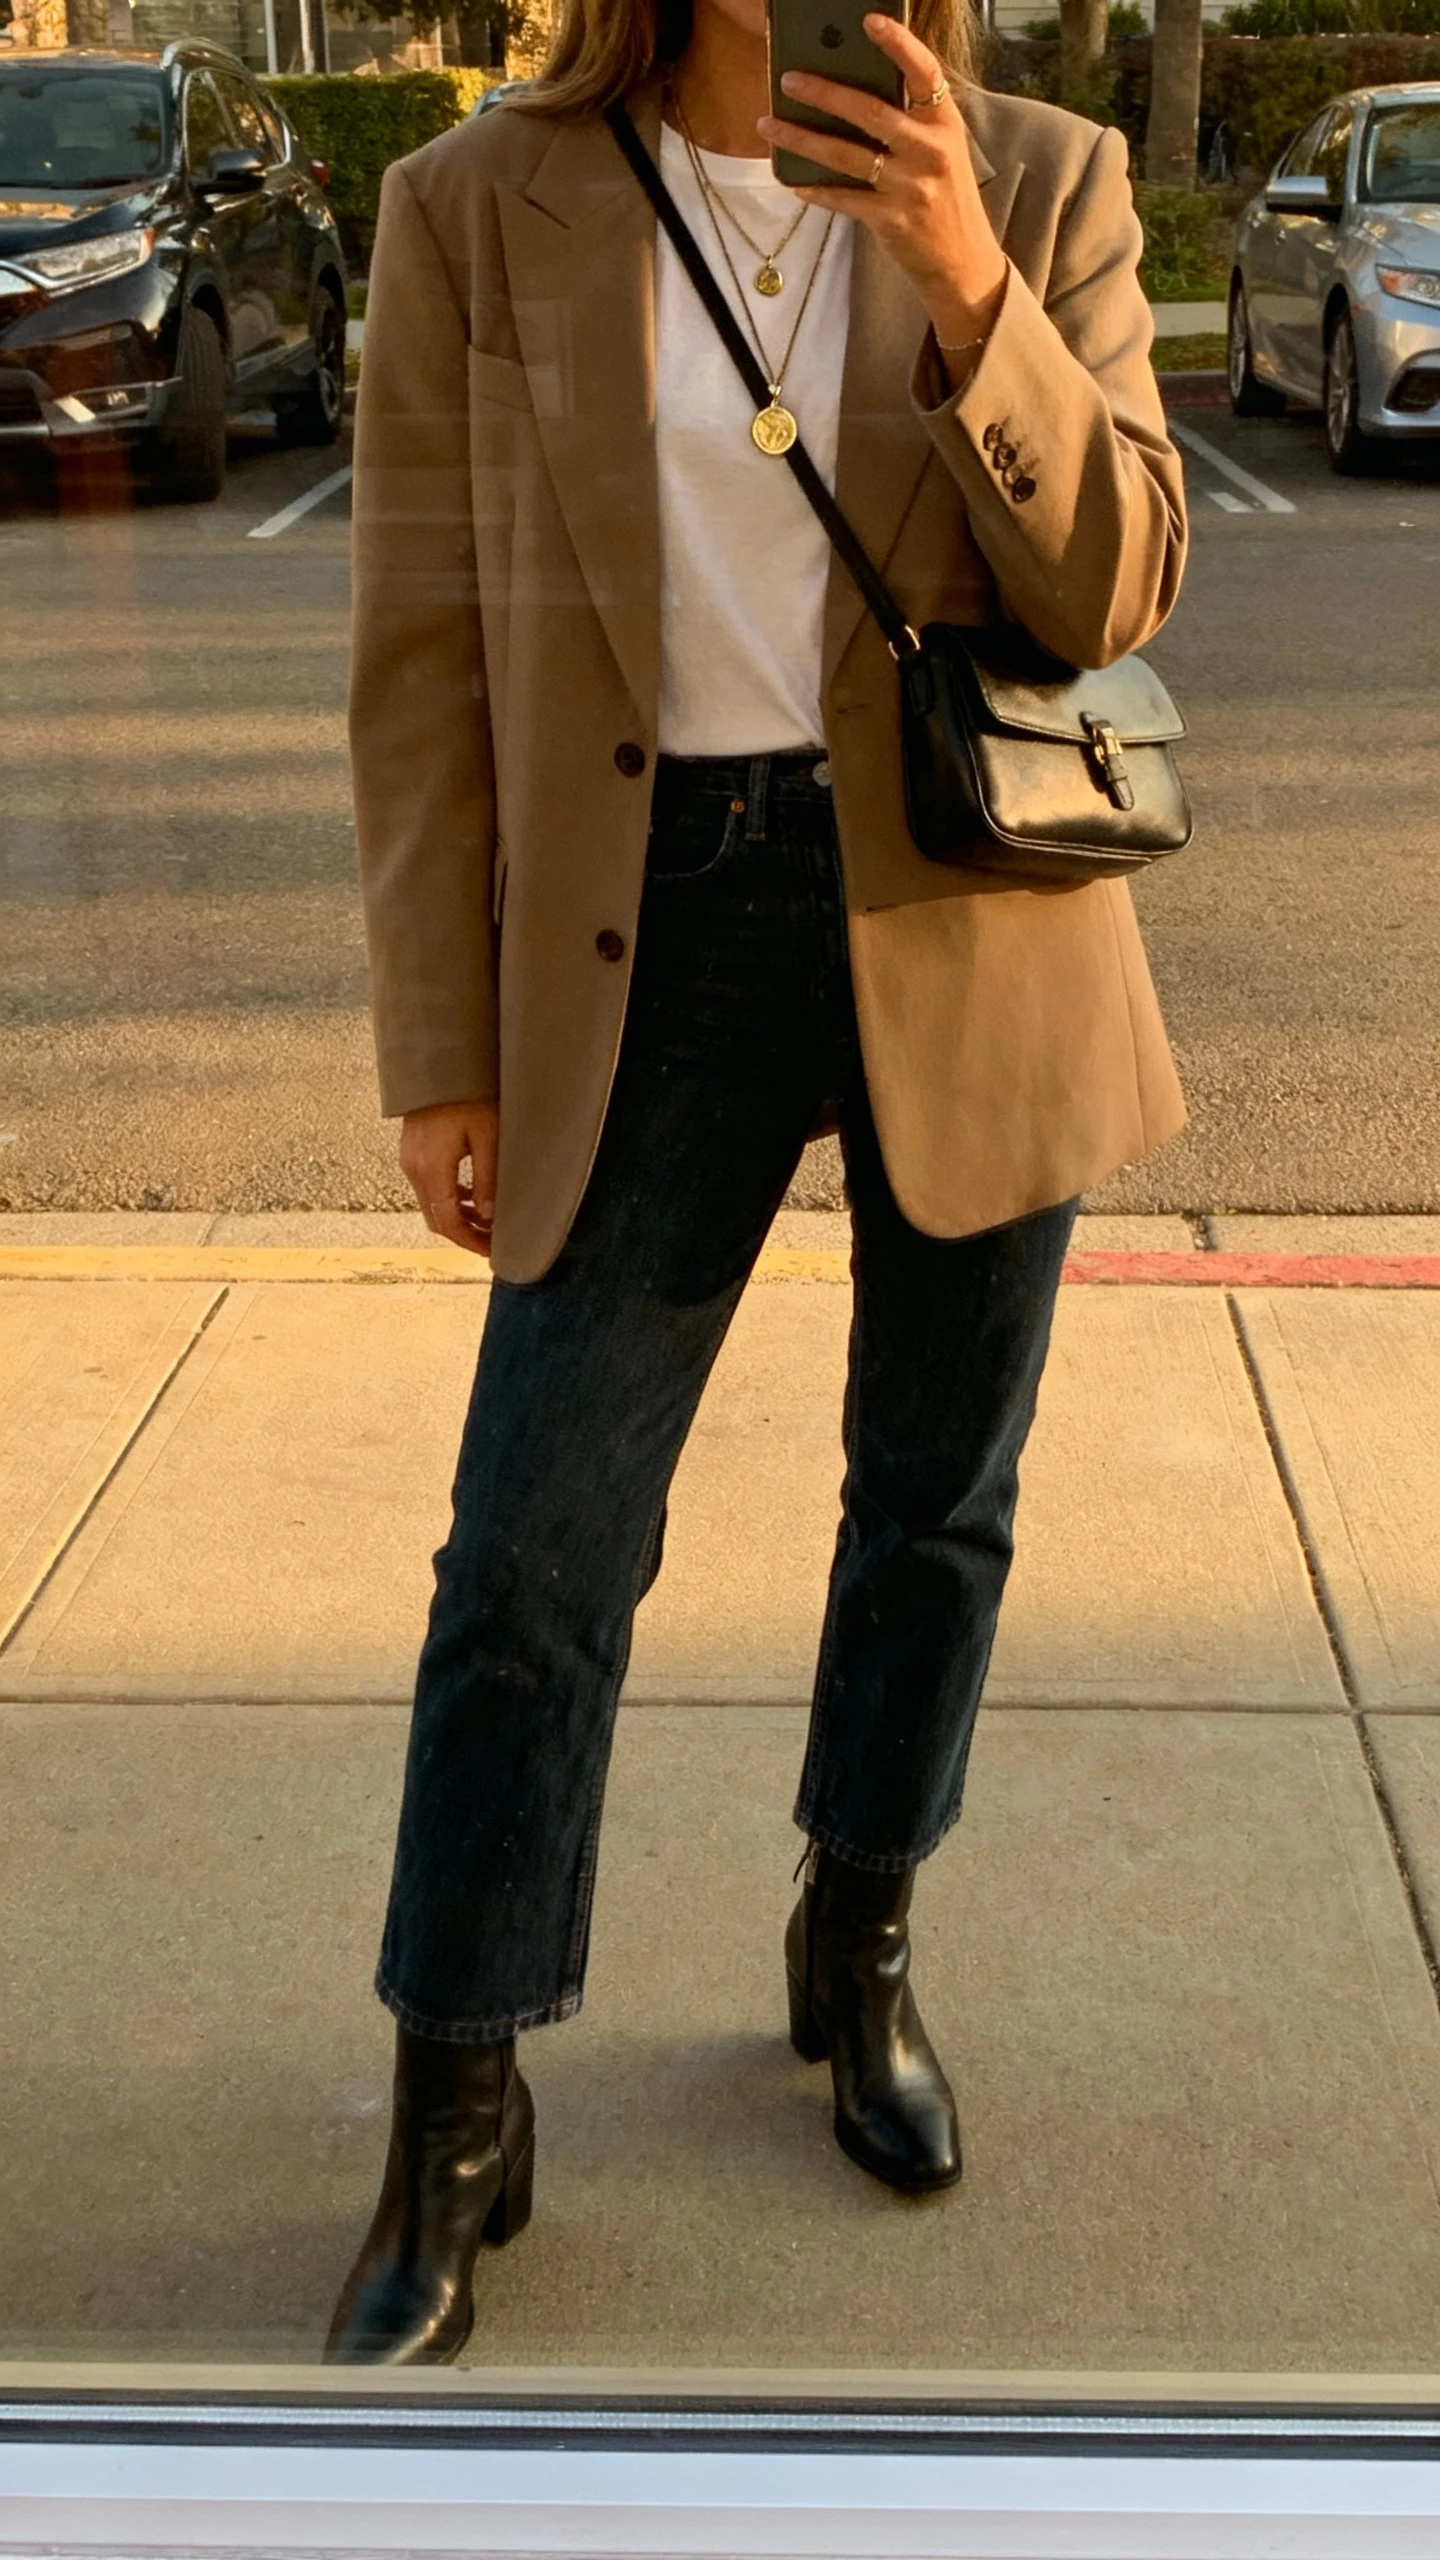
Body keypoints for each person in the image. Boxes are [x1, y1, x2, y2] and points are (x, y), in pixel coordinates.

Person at [327, 0, 1188, 2365]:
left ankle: (861, 1926)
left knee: (934, 1499)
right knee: (532, 1551)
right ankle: (459, 2093)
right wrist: (439, 1042)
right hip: (648, 933)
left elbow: (1120, 584)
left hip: (966, 905)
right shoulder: (472, 203)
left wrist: (967, 280)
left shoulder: (1041, 177)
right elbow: (417, 649)